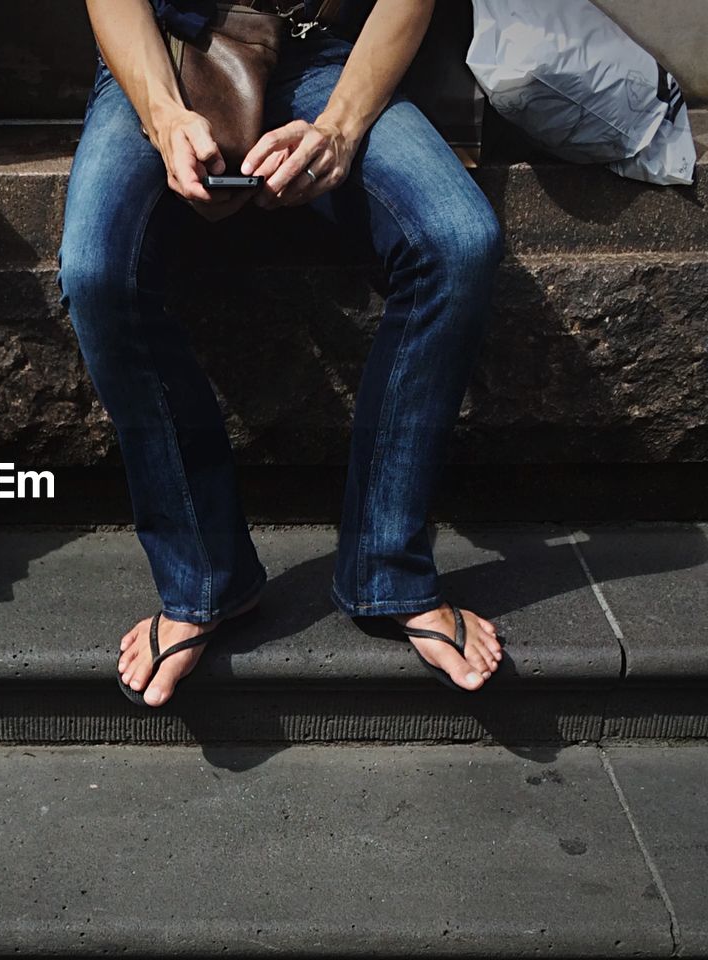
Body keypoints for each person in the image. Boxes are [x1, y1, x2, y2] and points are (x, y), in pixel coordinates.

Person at [58, 0, 506, 708]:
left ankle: (385, 569)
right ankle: (205, 579)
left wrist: (340, 129)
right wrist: (163, 116)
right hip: (170, 56)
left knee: (458, 243)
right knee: (96, 270)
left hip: (326, 57)